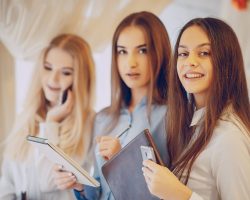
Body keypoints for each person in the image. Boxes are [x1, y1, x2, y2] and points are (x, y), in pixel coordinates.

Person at [54, 11, 172, 200]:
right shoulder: (103, 119)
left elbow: (169, 192)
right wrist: (80, 185)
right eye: (122, 51)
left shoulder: (172, 116)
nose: (130, 63)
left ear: (160, 52)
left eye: (142, 50)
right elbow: (99, 189)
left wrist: (121, 161)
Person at [142, 17, 250, 200]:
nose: (189, 61)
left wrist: (183, 195)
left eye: (204, 53)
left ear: (227, 61)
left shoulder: (229, 138)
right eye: (183, 54)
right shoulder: (193, 123)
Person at [0, 33, 96, 200]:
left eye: (65, 73)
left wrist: (52, 122)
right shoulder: (26, 115)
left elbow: (47, 181)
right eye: (48, 67)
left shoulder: (89, 122)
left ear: (80, 79)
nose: (53, 79)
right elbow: (7, 179)